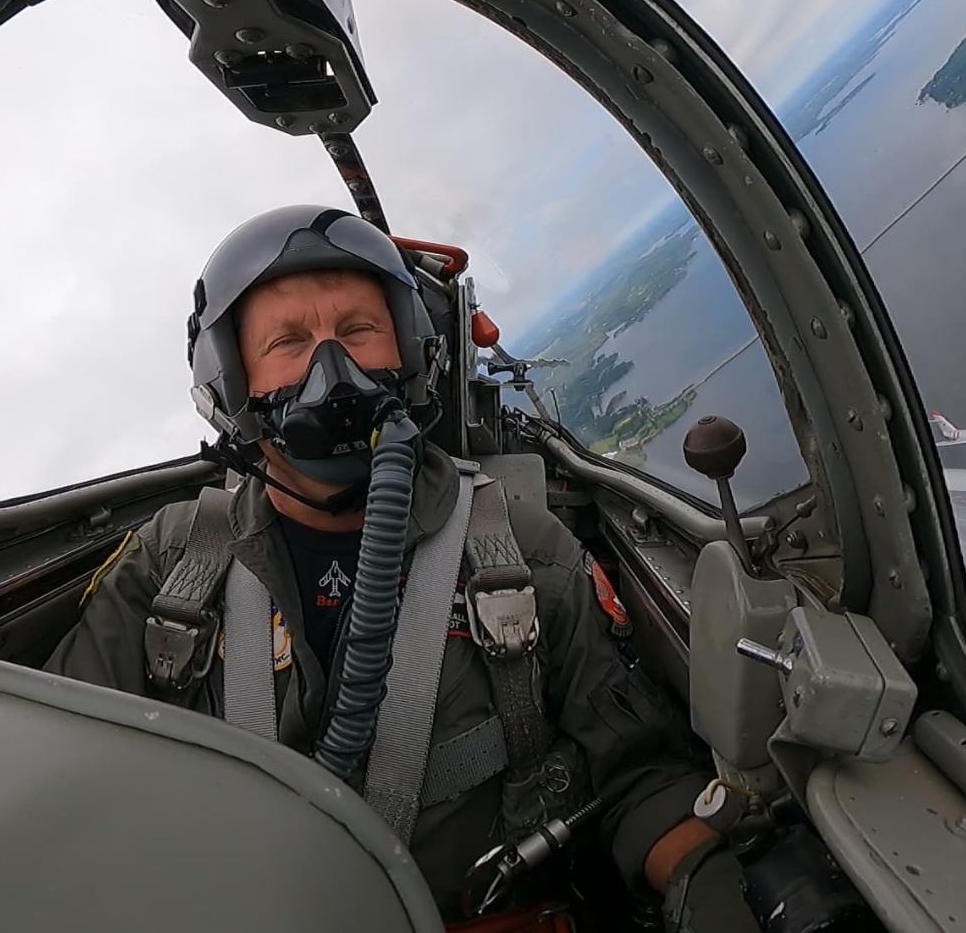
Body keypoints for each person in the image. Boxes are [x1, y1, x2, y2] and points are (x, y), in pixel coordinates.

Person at [47, 205, 761, 931]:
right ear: (232, 385)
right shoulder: (171, 566)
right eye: (288, 342)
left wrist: (705, 882)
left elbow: (639, 780)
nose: (334, 369)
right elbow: (59, 782)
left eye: (359, 330)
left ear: (411, 353)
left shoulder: (518, 549)